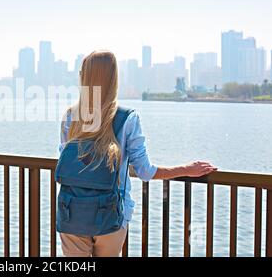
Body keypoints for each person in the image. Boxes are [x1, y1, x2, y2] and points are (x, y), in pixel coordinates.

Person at [56, 50, 217, 257]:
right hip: (110, 215)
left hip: (71, 214)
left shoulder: (70, 117)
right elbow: (145, 172)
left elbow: (65, 165)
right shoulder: (127, 119)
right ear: (114, 78)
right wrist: (187, 169)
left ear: (84, 77)